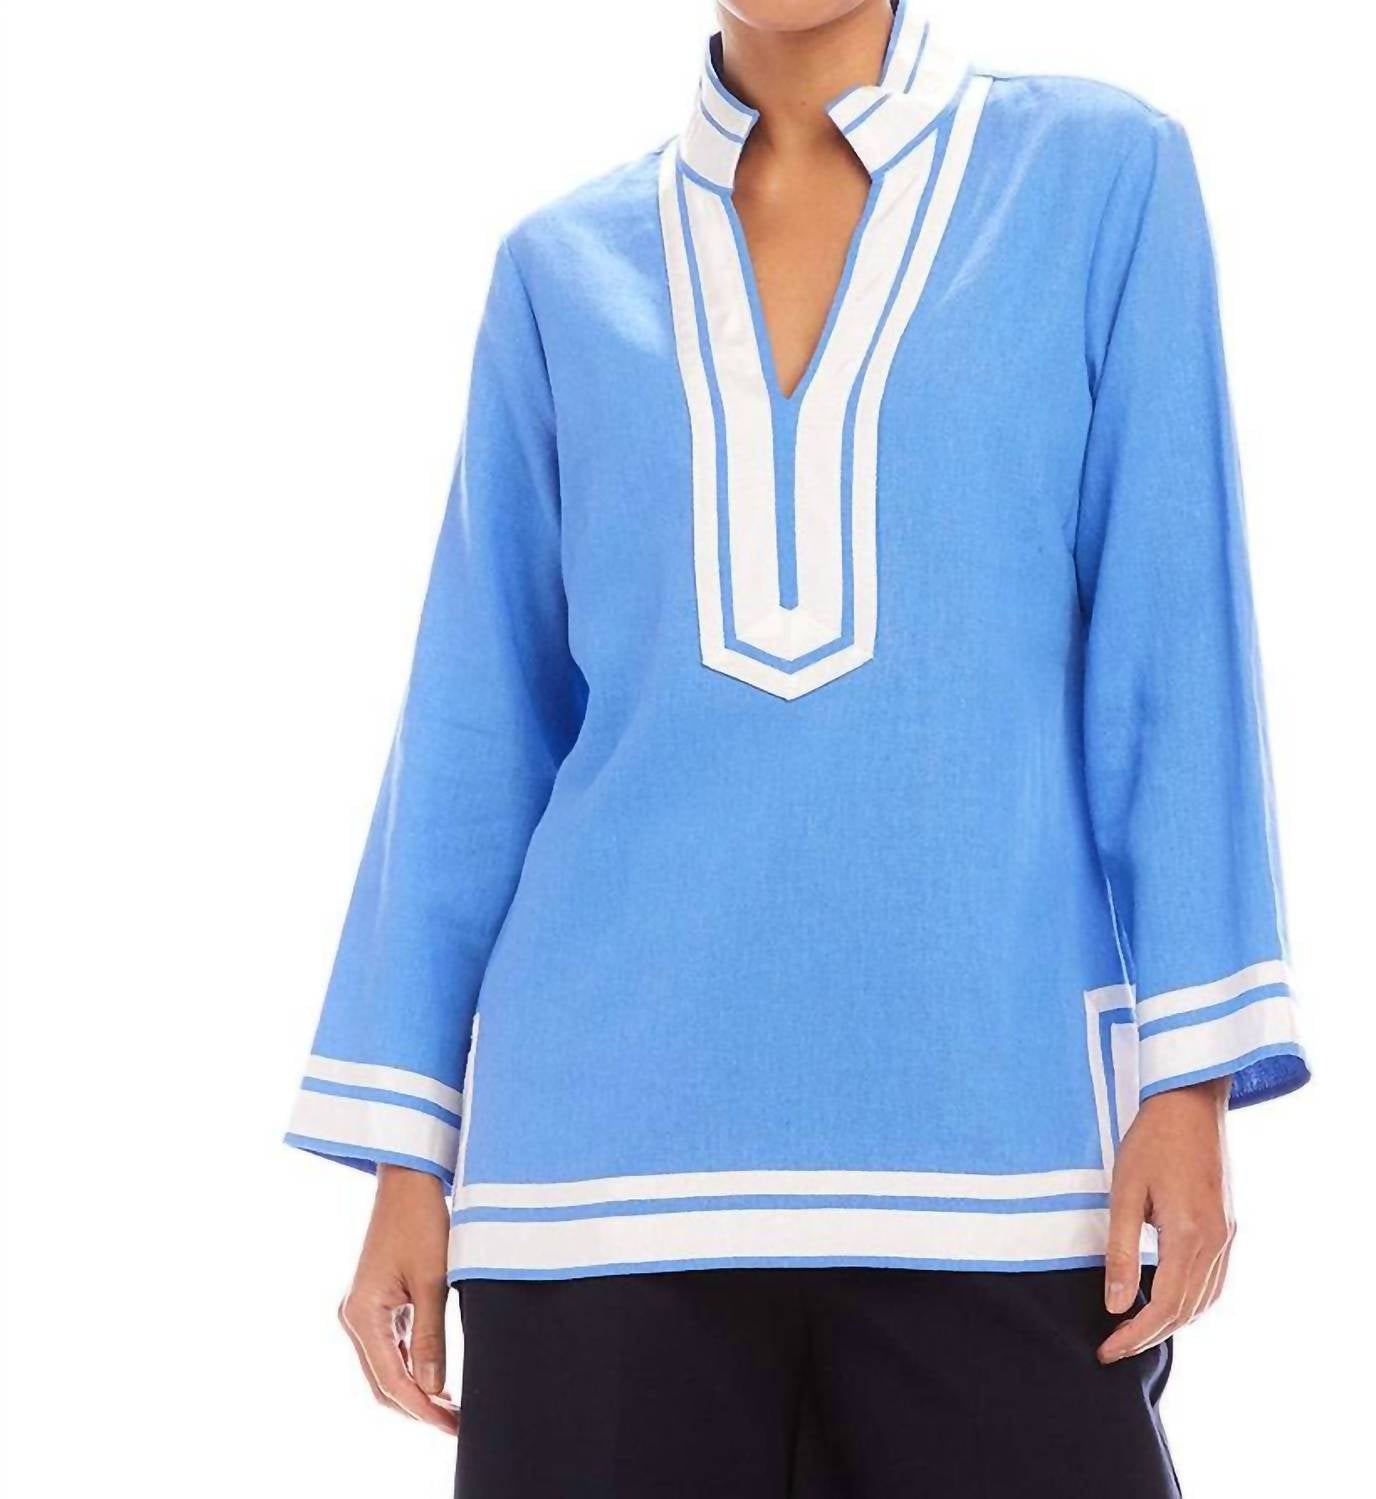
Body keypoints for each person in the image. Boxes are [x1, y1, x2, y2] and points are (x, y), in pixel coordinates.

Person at [284, 1, 1309, 1492]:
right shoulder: (559, 270)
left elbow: (1176, 635)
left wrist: (1192, 1079)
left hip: (997, 1152)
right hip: (595, 1189)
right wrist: (408, 1157)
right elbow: (475, 719)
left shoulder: (1100, 179)